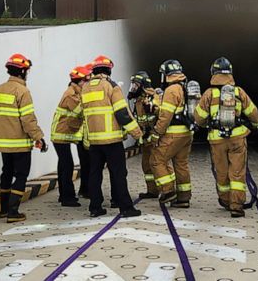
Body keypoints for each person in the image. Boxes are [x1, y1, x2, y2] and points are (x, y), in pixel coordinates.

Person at [194, 57, 258, 218]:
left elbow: (199, 118)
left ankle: (225, 199)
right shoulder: (238, 92)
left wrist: (206, 126)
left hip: (217, 140)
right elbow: (253, 113)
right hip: (237, 138)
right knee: (237, 173)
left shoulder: (209, 94)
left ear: (213, 73)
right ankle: (236, 206)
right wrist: (255, 126)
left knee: (221, 171)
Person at [0, 53, 47, 223]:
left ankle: (4, 210)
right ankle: (14, 212)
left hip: (2, 144)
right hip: (19, 144)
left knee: (6, 172)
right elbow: (28, 119)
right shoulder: (23, 91)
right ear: (22, 72)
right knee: (21, 175)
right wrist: (39, 138)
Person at [79, 55, 143, 218]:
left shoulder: (85, 88)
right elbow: (122, 114)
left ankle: (95, 208)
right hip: (112, 140)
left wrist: (87, 140)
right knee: (118, 174)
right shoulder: (111, 86)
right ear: (108, 70)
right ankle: (126, 208)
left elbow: (85, 116)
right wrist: (137, 133)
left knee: (95, 174)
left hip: (94, 141)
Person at [150, 59, 193, 208]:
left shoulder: (171, 90)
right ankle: (183, 198)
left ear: (166, 74)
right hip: (186, 133)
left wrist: (156, 133)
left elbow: (166, 116)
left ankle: (168, 191)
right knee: (181, 164)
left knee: (156, 160)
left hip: (173, 134)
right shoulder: (184, 86)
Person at [52, 65, 92, 207]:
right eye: (86, 81)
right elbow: (80, 111)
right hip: (61, 135)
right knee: (67, 165)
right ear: (79, 81)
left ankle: (64, 195)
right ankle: (67, 198)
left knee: (63, 165)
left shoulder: (75, 92)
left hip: (64, 134)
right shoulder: (71, 95)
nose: (87, 84)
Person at [128, 70, 160, 198]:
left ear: (142, 85)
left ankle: (167, 190)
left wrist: (153, 108)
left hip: (154, 139)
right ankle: (152, 191)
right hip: (146, 140)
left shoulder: (154, 96)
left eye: (135, 85)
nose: (133, 88)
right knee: (146, 165)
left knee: (157, 164)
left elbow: (162, 114)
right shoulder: (138, 100)